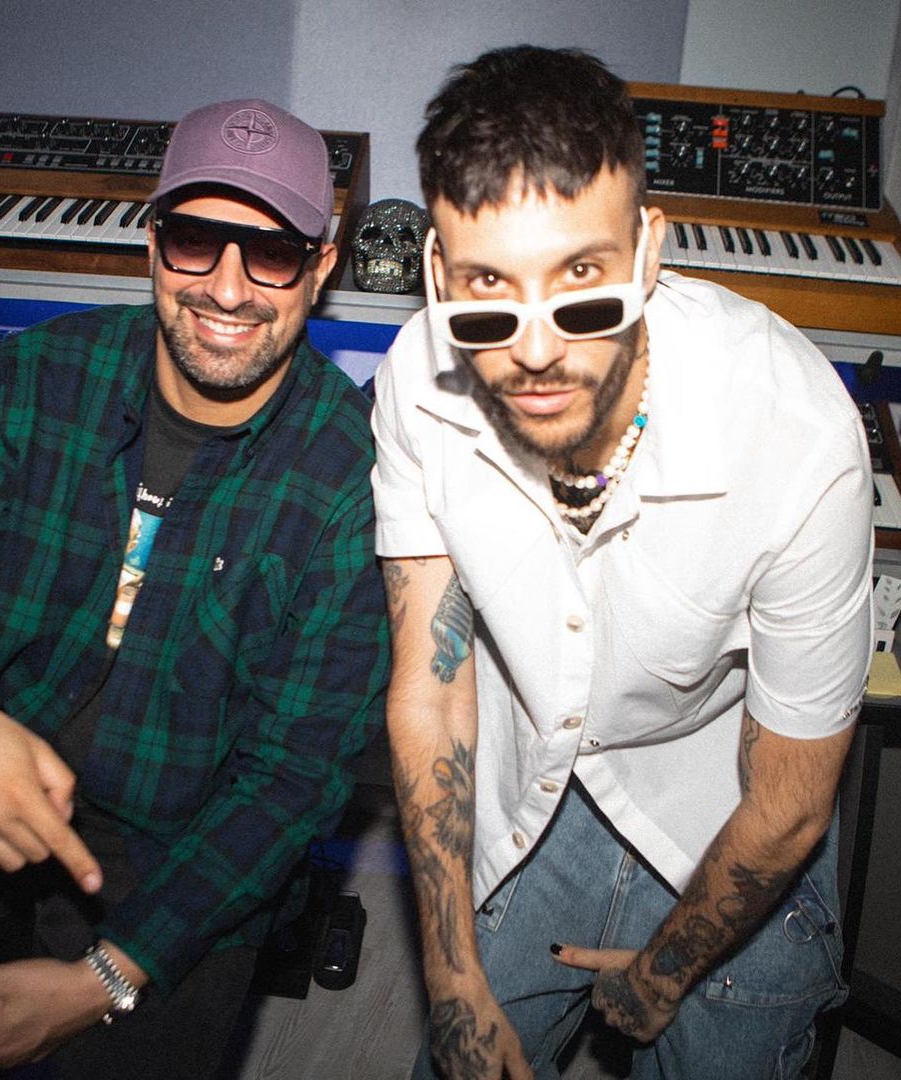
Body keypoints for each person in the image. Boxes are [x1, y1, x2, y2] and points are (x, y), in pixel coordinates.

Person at [0, 98, 389, 1079]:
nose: (227, 288)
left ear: (322, 267)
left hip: (182, 838)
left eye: (271, 254)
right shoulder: (30, 377)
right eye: (196, 241)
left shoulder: (350, 473)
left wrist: (109, 979)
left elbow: (293, 778)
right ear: (152, 240)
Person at [372, 45, 872, 1080]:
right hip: (529, 782)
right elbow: (432, 689)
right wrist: (452, 977)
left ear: (649, 251)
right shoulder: (417, 381)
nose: (537, 349)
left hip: (722, 803)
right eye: (487, 289)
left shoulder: (795, 431)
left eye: (582, 281)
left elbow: (789, 804)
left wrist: (660, 975)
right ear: (436, 274)